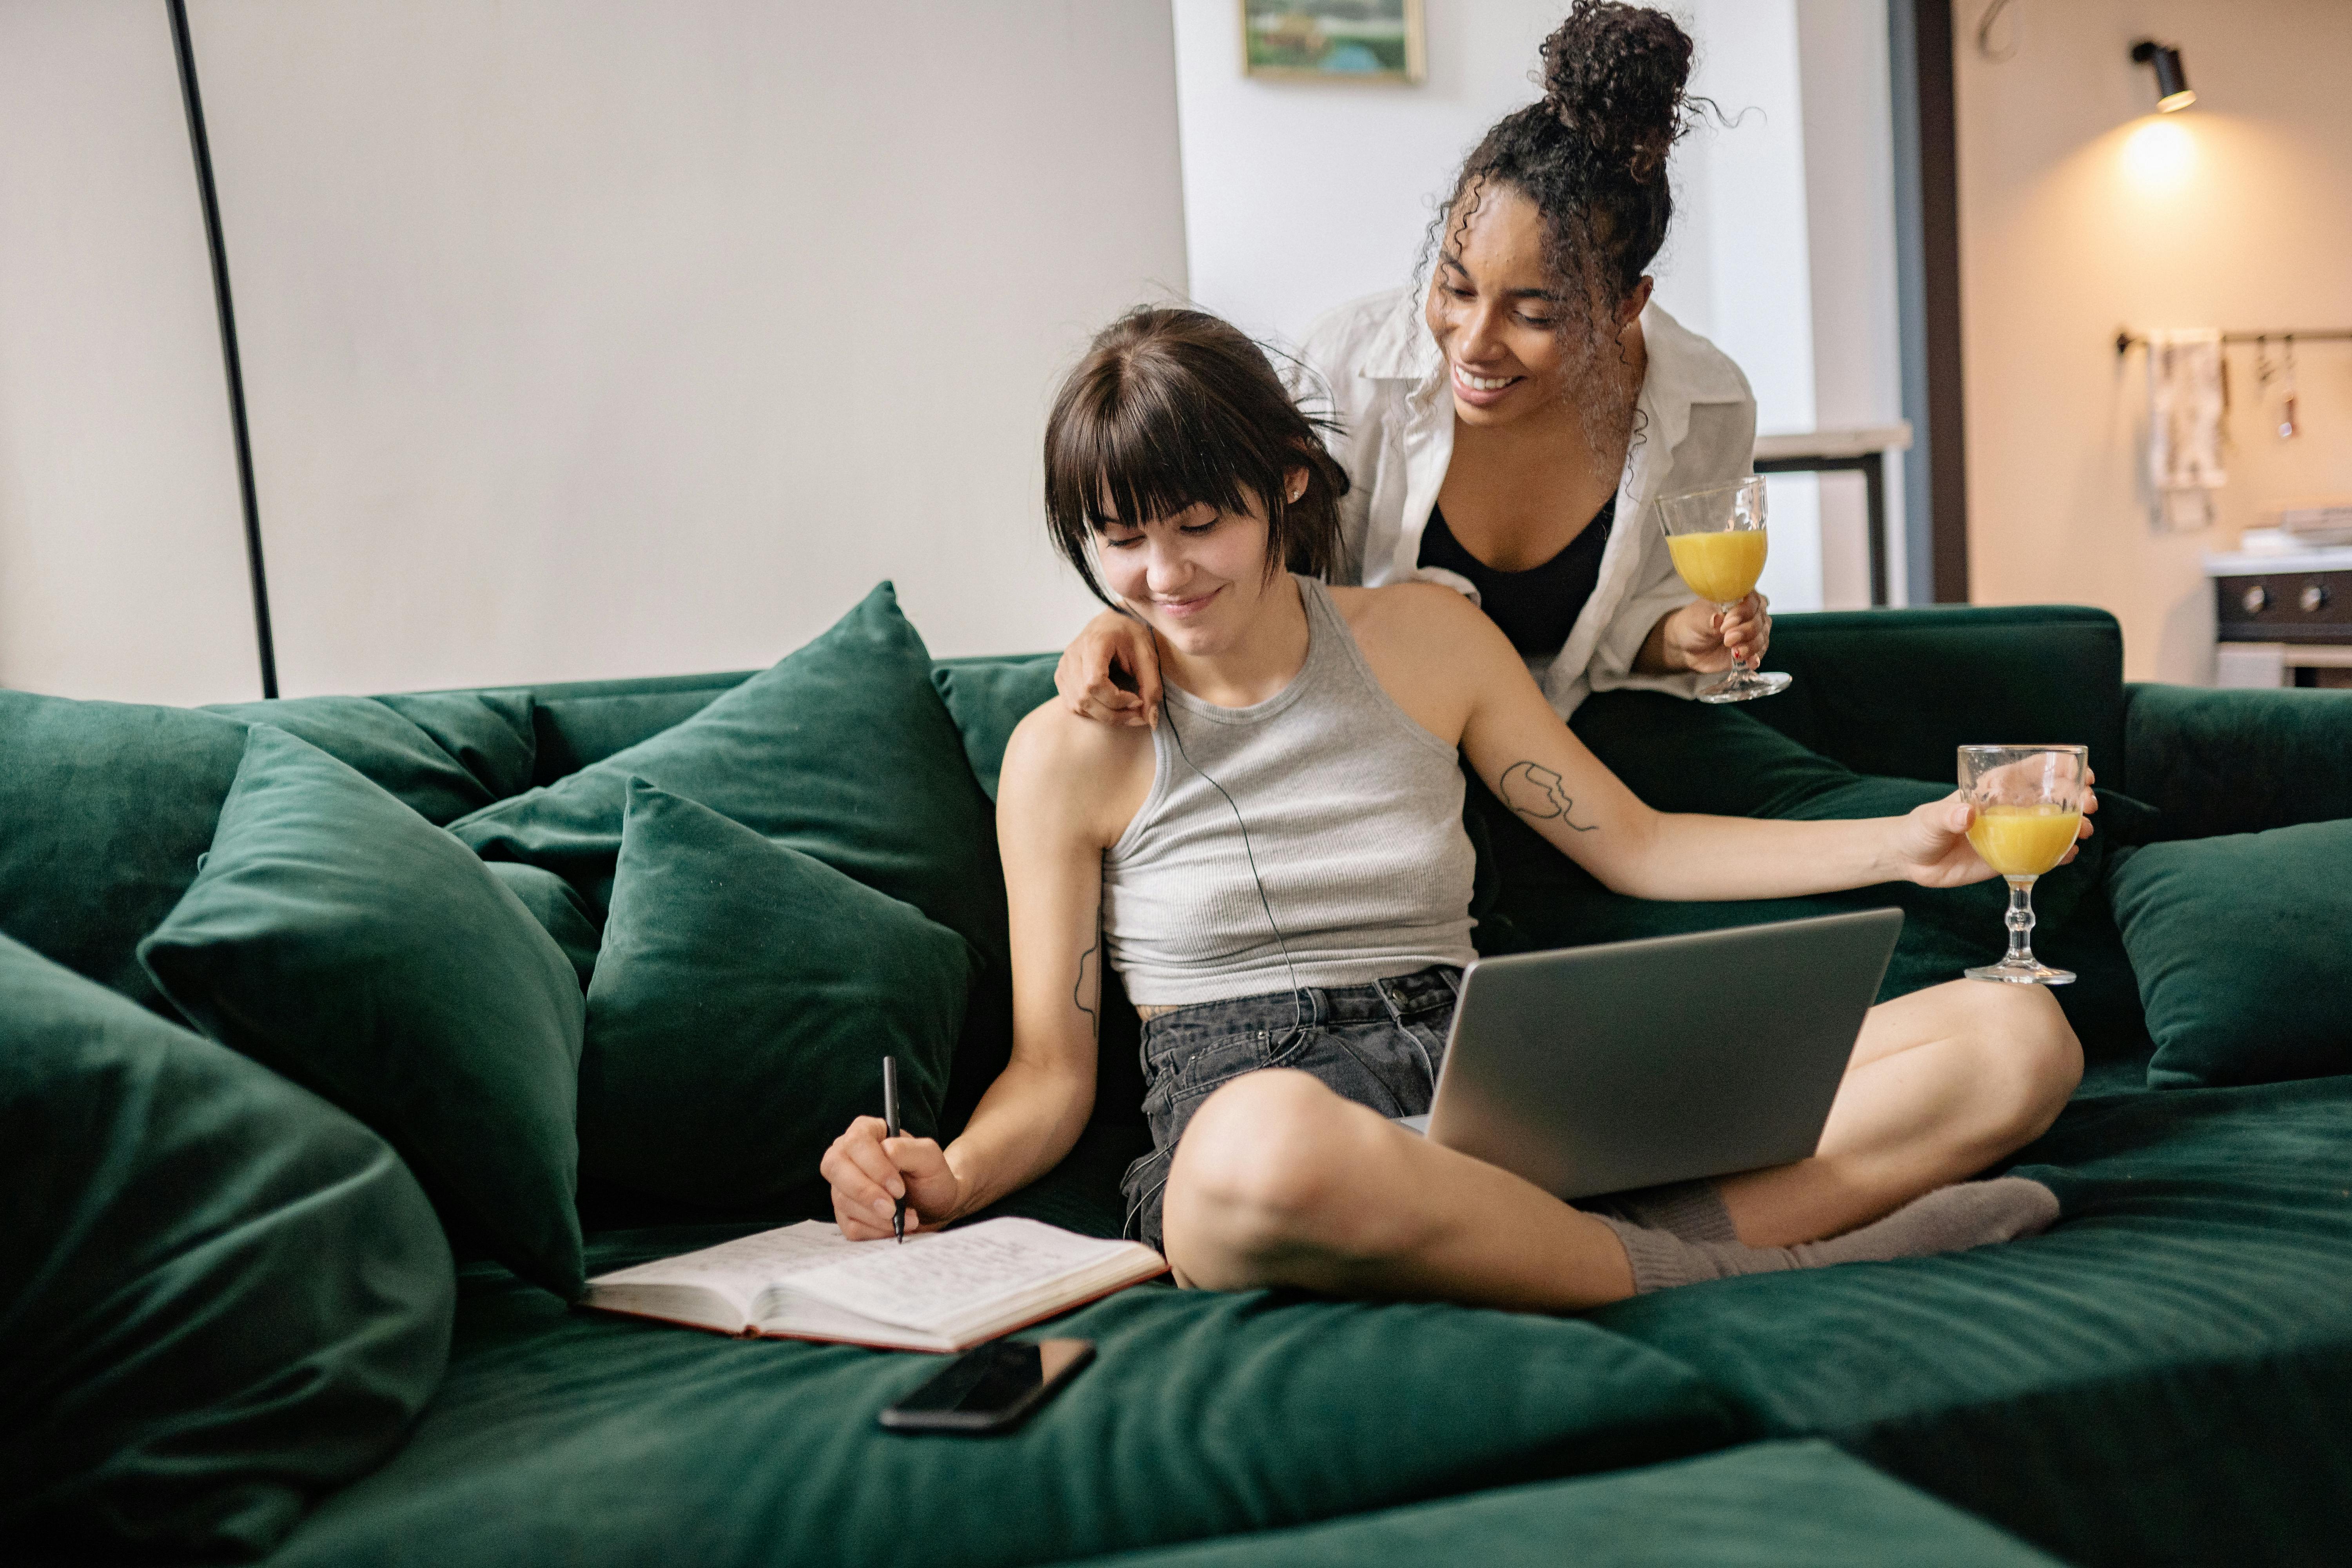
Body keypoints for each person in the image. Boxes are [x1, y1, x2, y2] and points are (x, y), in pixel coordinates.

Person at [820, 309, 2086, 1310]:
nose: (1162, 577)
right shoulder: (1072, 751)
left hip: (1486, 1079)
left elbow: (1636, 845)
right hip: (1260, 1124)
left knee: (2015, 1039)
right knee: (1259, 1151)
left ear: (1288, 487)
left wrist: (1910, 845)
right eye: (1120, 543)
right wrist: (955, 1170)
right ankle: (1732, 1266)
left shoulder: (1428, 643)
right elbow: (1052, 1069)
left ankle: (1533, 1247)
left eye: (1199, 527)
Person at [1056, 0, 1765, 729]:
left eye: (1534, 314)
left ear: (1627, 305)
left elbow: (1624, 629)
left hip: (1582, 739)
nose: (1472, 341)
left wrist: (1679, 638)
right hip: (1383, 737)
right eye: (1455, 287)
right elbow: (1220, 550)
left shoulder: (1708, 405)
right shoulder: (1342, 368)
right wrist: (1124, 628)